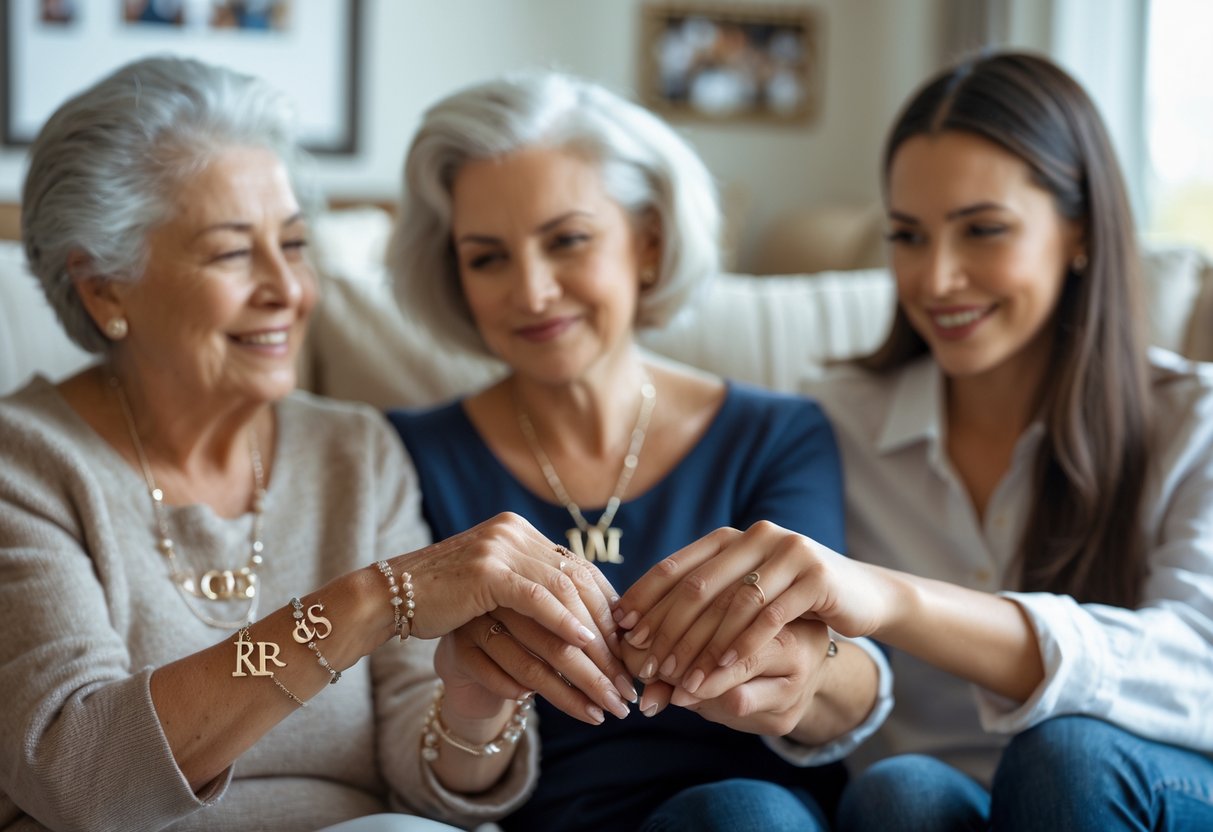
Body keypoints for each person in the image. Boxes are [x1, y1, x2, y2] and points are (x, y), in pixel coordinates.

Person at [0, 56, 635, 832]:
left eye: (295, 245)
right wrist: (369, 602)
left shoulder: (355, 450)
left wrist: (473, 702)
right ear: (104, 286)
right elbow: (80, 775)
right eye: (233, 253)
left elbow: (435, 785)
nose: (288, 290)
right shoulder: (24, 463)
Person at [613, 51, 1213, 830]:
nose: (936, 278)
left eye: (982, 231)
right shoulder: (828, 426)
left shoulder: (1190, 419)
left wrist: (894, 598)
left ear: (1080, 232)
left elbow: (1197, 671)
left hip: (1123, 789)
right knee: (901, 791)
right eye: (907, 236)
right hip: (910, 811)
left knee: (1066, 757)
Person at [386, 70, 892, 832]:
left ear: (647, 243)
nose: (530, 290)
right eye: (487, 257)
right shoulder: (408, 454)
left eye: (567, 241)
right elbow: (444, 779)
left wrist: (803, 673)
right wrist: (475, 695)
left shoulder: (775, 434)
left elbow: (841, 708)